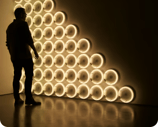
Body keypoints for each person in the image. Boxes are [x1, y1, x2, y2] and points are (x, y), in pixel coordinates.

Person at [6, 8, 41, 106]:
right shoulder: (23, 24)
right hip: (25, 55)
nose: (25, 15)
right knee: (29, 76)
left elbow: (7, 43)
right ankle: (28, 98)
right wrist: (35, 51)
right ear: (21, 14)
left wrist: (12, 53)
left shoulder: (10, 27)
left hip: (15, 56)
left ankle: (17, 99)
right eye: (25, 14)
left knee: (17, 76)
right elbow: (29, 39)